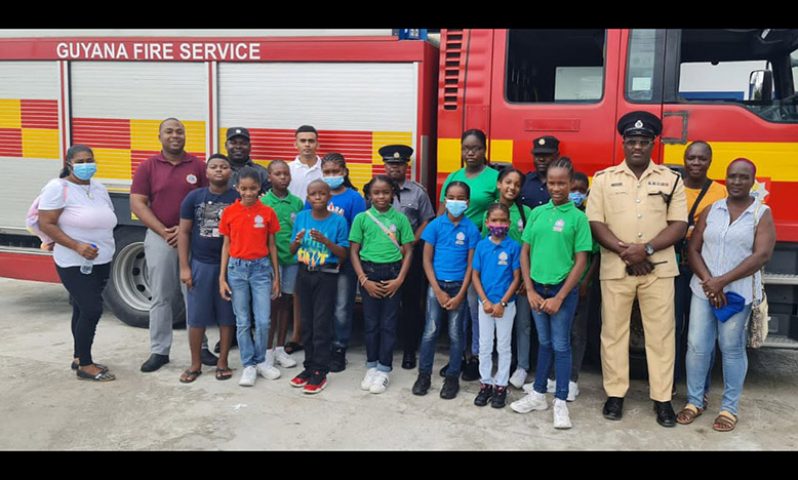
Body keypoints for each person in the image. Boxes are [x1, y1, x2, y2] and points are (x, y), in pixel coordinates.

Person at [586, 111, 688, 428]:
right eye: (632, 141)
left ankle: (662, 400)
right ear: (624, 143)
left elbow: (679, 225)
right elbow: (595, 223)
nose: (638, 147)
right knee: (613, 334)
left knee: (661, 336)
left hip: (657, 268)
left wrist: (644, 250)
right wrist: (626, 251)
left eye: (644, 142)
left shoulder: (672, 180)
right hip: (616, 268)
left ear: (653, 143)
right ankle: (615, 395)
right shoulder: (603, 179)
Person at [678, 158, 775, 432]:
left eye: (744, 177)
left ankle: (729, 409)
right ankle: (695, 402)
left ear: (752, 181)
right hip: (703, 290)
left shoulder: (761, 213)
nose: (736, 182)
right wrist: (710, 282)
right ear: (726, 178)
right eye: (732, 176)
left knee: (731, 349)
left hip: (736, 295)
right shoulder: (712, 209)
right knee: (697, 346)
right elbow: (693, 248)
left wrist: (722, 282)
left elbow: (762, 255)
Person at [511, 158, 591, 429]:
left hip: (560, 291)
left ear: (570, 184)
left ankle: (559, 402)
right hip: (537, 288)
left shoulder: (578, 218)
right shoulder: (537, 213)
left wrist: (560, 297)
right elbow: (525, 250)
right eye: (552, 183)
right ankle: (538, 395)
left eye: (562, 183)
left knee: (561, 345)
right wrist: (530, 289)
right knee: (544, 343)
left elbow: (581, 260)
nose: (557, 188)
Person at [130, 118, 216, 372]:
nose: (175, 135)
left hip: (193, 238)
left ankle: (200, 347)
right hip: (160, 238)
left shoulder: (198, 166)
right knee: (161, 296)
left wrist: (185, 229)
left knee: (195, 295)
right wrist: (164, 231)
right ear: (160, 136)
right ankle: (159, 350)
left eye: (179, 131)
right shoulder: (148, 167)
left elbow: (209, 201)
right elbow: (138, 203)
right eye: (169, 131)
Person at [38, 145, 117, 382]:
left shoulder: (99, 187)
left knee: (81, 308)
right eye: (81, 161)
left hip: (102, 260)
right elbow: (47, 223)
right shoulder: (58, 188)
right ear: (69, 163)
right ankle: (86, 365)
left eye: (90, 160)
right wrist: (77, 246)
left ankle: (77, 356)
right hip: (73, 261)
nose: (86, 165)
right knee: (92, 309)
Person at [438, 129, 499, 381]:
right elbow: (443, 213)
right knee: (457, 310)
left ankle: (475, 357)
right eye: (466, 148)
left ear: (485, 150)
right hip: (455, 253)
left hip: (482, 252)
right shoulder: (454, 176)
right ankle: (458, 355)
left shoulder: (495, 178)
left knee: (474, 307)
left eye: (475, 148)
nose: (470, 152)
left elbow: (499, 214)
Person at [413, 181, 481, 399]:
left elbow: (471, 265)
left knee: (455, 333)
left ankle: (452, 377)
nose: (455, 202)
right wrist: (437, 289)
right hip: (437, 285)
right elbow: (426, 259)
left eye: (460, 198)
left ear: (467, 203)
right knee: (430, 331)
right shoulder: (435, 226)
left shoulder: (471, 229)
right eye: (451, 197)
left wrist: (461, 294)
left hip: (459, 287)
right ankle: (424, 375)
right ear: (445, 200)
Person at [350, 175, 415, 394]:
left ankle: (384, 368)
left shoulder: (401, 219)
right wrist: (363, 280)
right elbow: (354, 251)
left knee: (389, 323)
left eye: (386, 192)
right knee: (371, 324)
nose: (381, 197)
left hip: (393, 274)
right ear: (369, 195)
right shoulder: (361, 218)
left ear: (393, 195)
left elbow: (408, 251)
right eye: (376, 193)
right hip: (369, 274)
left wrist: (400, 280)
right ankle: (371, 365)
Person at [177, 154, 239, 382]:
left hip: (231, 267)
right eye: (214, 167)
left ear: (231, 172)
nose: (219, 170)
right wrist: (185, 267)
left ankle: (222, 362)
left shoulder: (239, 198)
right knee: (196, 317)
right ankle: (195, 364)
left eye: (224, 166)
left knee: (227, 316)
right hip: (201, 265)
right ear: (206, 172)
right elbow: (183, 232)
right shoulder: (194, 198)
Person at [218, 168, 281, 387]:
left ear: (259, 188)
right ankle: (249, 365)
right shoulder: (229, 212)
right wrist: (222, 277)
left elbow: (272, 244)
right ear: (237, 188)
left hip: (261, 270)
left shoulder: (267, 212)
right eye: (243, 188)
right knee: (242, 321)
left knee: (263, 320)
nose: (248, 193)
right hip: (237, 269)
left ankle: (262, 360)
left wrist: (276, 277)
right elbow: (226, 245)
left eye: (253, 188)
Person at [288, 180, 350, 394]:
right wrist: (296, 242)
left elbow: (344, 253)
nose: (317, 197)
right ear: (307, 196)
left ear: (329, 197)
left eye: (322, 194)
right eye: (313, 194)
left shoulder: (339, 221)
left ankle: (320, 370)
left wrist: (325, 241)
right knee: (306, 323)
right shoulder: (302, 217)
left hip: (327, 275)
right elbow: (291, 249)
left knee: (321, 323)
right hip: (305, 273)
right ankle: (308, 366)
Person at [673, 141, 727, 390]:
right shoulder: (672, 188)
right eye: (691, 158)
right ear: (684, 160)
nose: (696, 163)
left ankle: (701, 388)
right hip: (673, 268)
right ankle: (669, 384)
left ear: (710, 161)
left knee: (702, 333)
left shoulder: (720, 193)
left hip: (704, 271)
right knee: (671, 328)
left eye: (701, 159)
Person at [307, 153, 366, 372]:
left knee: (342, 307)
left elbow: (356, 233)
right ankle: (321, 346)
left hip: (343, 262)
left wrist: (346, 256)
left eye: (335, 172)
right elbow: (307, 223)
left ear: (344, 172)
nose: (331, 176)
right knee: (321, 307)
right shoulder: (315, 194)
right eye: (327, 172)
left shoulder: (354, 198)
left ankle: (339, 348)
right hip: (318, 261)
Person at [380, 144, 436, 370]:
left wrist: (411, 242)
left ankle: (409, 350)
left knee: (411, 305)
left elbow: (427, 219)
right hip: (383, 257)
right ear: (385, 165)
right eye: (391, 164)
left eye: (399, 164)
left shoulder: (417, 192)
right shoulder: (377, 188)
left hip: (410, 256)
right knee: (386, 304)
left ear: (406, 166)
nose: (395, 167)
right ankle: (385, 348)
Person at [486, 168, 533, 389]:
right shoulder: (489, 210)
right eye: (507, 182)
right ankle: (492, 367)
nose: (511, 187)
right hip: (494, 280)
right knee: (491, 328)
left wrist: (527, 278)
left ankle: (522, 366)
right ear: (498, 183)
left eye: (516, 184)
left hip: (519, 278)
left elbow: (532, 247)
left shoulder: (527, 212)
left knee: (522, 324)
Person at [471, 203, 521, 409]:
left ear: (508, 223)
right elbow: (475, 275)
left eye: (502, 221)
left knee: (503, 345)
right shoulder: (482, 246)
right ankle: (485, 384)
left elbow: (517, 278)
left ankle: (501, 385)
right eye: (494, 220)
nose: (498, 224)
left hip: (505, 306)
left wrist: (501, 303)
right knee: (484, 345)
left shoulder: (513, 247)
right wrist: (484, 301)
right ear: (487, 222)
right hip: (485, 305)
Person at [261, 160, 304, 371]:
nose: (283, 177)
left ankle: (280, 348)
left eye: (286, 174)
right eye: (277, 174)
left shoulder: (297, 203)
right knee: (272, 305)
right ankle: (267, 351)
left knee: (286, 302)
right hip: (271, 261)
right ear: (269, 177)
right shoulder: (263, 202)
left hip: (292, 261)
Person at [284, 124, 323, 355]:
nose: (307, 145)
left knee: (314, 287)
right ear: (295, 143)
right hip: (293, 233)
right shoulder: (289, 169)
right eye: (303, 140)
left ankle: (313, 335)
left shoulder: (324, 170)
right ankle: (297, 335)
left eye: (311, 140)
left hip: (318, 234)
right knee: (296, 288)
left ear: (317, 143)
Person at [519, 135, 560, 210]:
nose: (541, 159)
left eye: (546, 155)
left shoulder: (563, 184)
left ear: (557, 156)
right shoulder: (523, 181)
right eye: (537, 155)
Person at [226, 127, 270, 194]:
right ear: (226, 145)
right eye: (233, 143)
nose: (238, 147)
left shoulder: (262, 173)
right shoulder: (218, 172)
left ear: (250, 146)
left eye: (243, 143)